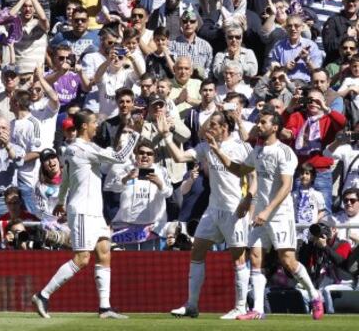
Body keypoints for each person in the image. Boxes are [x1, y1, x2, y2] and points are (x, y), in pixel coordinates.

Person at [210, 105, 325, 320]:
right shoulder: (257, 151)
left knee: (288, 260)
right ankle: (259, 310)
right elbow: (239, 170)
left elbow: (286, 186)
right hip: (261, 214)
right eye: (259, 122)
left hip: (280, 215)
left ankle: (315, 294)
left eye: (263, 123)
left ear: (274, 127)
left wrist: (267, 210)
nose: (258, 126)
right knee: (255, 258)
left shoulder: (285, 152)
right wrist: (217, 151)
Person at [31, 109, 139, 319]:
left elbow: (67, 178)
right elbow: (119, 157)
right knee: (82, 258)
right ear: (84, 127)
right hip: (82, 210)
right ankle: (43, 295)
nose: (97, 126)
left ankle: (105, 308)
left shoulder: (73, 149)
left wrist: (61, 201)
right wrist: (135, 134)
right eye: (94, 123)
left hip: (93, 210)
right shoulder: (83, 149)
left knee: (104, 251)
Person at [157, 110, 255, 319]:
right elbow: (180, 156)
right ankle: (191, 305)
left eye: (213, 125)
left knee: (238, 258)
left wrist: (249, 200)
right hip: (213, 209)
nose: (208, 129)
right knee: (197, 252)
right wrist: (166, 135)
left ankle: (240, 307)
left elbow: (251, 175)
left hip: (235, 210)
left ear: (224, 128)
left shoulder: (241, 146)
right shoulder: (205, 147)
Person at [282, 88, 346, 213]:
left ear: (324, 102)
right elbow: (283, 128)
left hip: (321, 171)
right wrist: (290, 107)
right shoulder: (297, 116)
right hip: (302, 170)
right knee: (298, 209)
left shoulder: (328, 118)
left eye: (317, 101)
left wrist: (326, 108)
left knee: (324, 211)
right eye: (310, 100)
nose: (313, 103)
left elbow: (342, 122)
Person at [110, 139, 173, 250]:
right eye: (141, 153)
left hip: (152, 227)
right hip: (128, 226)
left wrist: (160, 184)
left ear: (154, 157)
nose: (145, 156)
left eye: (149, 154)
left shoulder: (161, 171)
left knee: (149, 262)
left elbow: (169, 193)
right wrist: (127, 178)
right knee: (130, 262)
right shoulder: (127, 169)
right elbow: (114, 188)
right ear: (136, 155)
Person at [298, 218, 354, 314]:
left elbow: (340, 262)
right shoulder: (315, 246)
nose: (321, 231)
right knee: (301, 293)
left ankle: (331, 317)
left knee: (327, 291)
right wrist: (309, 245)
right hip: (320, 286)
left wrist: (325, 247)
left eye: (324, 228)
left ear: (334, 230)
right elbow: (304, 265)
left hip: (342, 284)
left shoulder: (343, 244)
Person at [267, 14, 322, 82]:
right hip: (283, 83)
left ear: (302, 27)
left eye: (296, 26)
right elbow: (271, 70)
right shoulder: (279, 46)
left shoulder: (311, 46)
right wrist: (285, 68)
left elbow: (318, 73)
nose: (293, 28)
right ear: (286, 28)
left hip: (304, 84)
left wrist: (307, 61)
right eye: (290, 26)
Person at [169, 9, 213, 79]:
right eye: (185, 21)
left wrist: (202, 74)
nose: (188, 24)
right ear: (181, 23)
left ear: (197, 24)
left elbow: (209, 68)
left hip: (200, 83)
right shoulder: (172, 45)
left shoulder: (206, 46)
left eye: (192, 21)